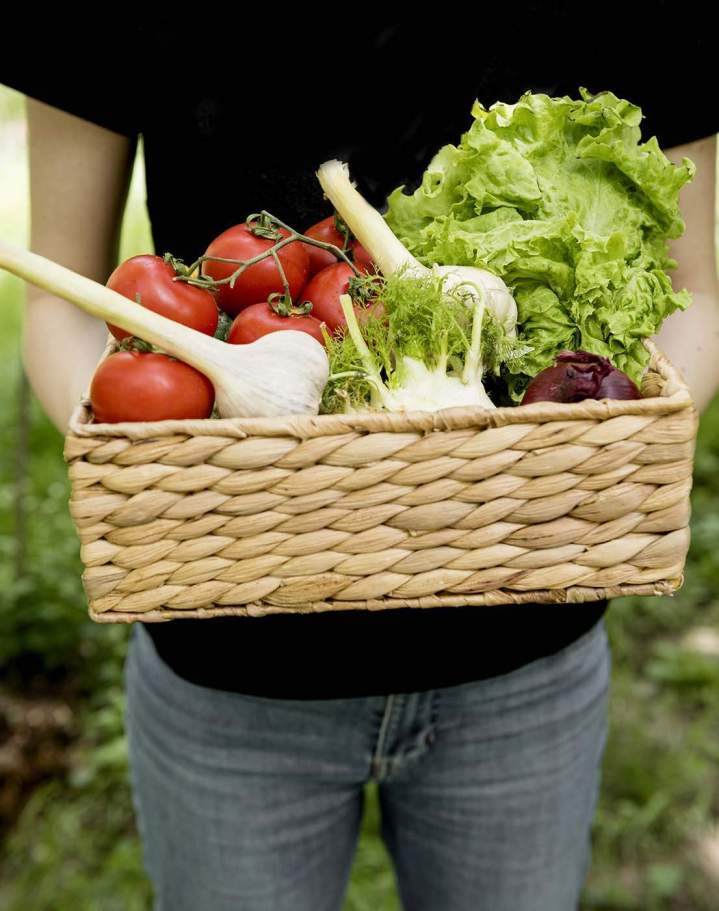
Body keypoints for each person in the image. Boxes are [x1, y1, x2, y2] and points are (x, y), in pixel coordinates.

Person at [3, 11, 718, 910]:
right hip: (228, 668)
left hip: (524, 654)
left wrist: (588, 446)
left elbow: (694, 290)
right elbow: (59, 301)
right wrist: (164, 467)